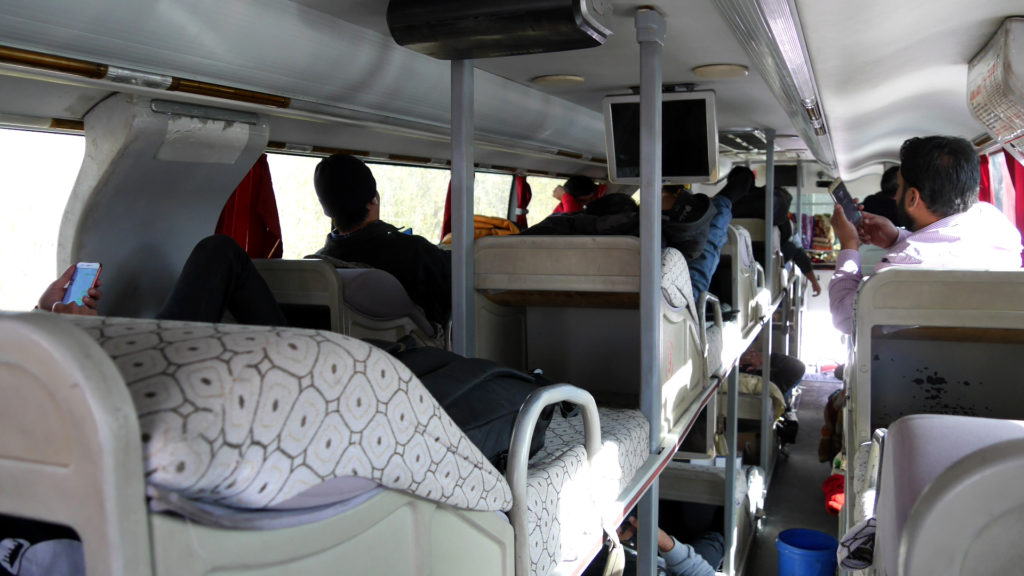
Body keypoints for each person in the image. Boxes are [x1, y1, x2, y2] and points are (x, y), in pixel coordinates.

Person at [829, 135, 1023, 334]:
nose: (895, 196)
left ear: (912, 197)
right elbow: (949, 250)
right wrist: (897, 237)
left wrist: (849, 246)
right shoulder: (995, 222)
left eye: (899, 188)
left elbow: (845, 318)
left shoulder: (903, 268)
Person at [312, 154, 453, 326]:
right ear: (374, 199)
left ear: (327, 210)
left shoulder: (318, 267)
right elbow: (455, 286)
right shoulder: (413, 252)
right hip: (411, 348)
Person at [38, 235, 287, 326]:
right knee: (218, 251)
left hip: (111, 351)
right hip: (124, 365)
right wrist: (83, 332)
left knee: (219, 251)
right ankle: (298, 355)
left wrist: (45, 310)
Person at [732, 185, 823, 296]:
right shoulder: (786, 227)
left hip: (731, 257)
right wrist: (813, 281)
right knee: (791, 248)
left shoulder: (734, 208)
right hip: (762, 270)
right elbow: (800, 255)